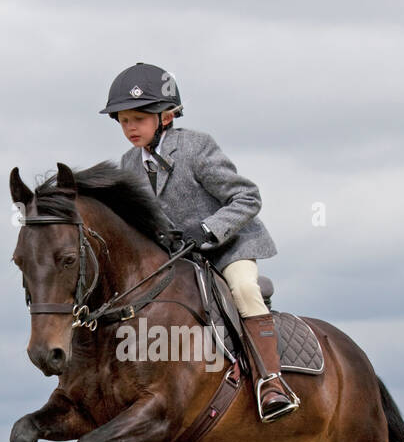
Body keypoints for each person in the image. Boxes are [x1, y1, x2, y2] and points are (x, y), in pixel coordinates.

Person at [100, 62, 298, 422]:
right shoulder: (128, 163)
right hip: (180, 257)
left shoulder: (195, 147)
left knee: (242, 290)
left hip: (229, 245)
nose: (130, 128)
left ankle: (272, 382)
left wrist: (207, 230)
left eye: (138, 119)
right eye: (124, 120)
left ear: (165, 116)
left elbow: (248, 198)